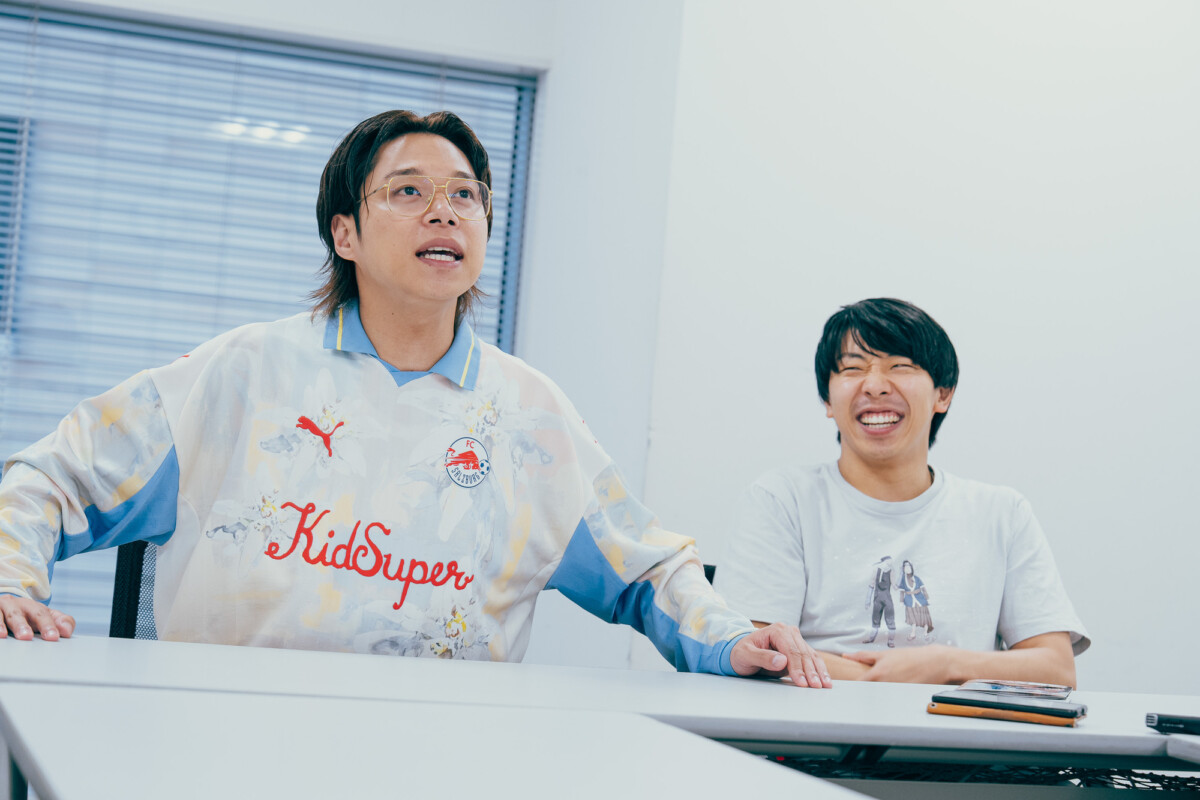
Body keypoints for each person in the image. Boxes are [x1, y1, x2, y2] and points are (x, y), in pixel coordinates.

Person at [0, 110, 831, 688]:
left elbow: (649, 569)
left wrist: (734, 640)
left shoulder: (530, 415)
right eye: (408, 191)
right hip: (217, 742)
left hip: (444, 757)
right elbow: (48, 479)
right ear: (345, 234)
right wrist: (11, 584)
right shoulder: (242, 371)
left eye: (465, 194)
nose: (444, 211)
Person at [715, 298, 1088, 685]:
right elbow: (753, 651)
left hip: (954, 724)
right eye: (853, 369)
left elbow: (1057, 669)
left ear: (943, 394)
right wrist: (890, 679)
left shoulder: (1002, 513)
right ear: (827, 399)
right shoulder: (781, 500)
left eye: (900, 367)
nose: (875, 386)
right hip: (810, 722)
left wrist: (946, 664)